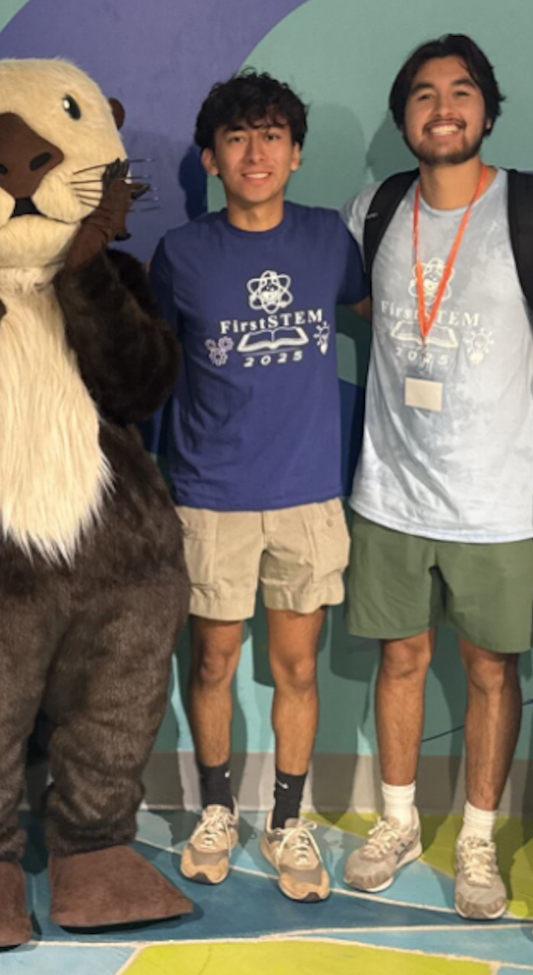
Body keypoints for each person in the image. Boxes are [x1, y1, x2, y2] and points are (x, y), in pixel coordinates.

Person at [338, 34, 533, 918]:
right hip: (390, 489)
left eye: (461, 92)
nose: (443, 107)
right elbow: (356, 304)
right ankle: (393, 822)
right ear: (405, 117)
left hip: (498, 498)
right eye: (424, 94)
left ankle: (477, 841)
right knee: (401, 658)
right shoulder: (373, 210)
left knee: (494, 671)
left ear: (486, 111)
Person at [150, 71, 367, 903]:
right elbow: (150, 365)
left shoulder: (327, 242)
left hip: (309, 493)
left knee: (298, 668)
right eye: (237, 138)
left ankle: (286, 820)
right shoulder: (183, 254)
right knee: (211, 660)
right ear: (211, 158)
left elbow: (390, 312)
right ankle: (215, 809)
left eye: (272, 135)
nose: (255, 152)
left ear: (297, 153)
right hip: (209, 495)